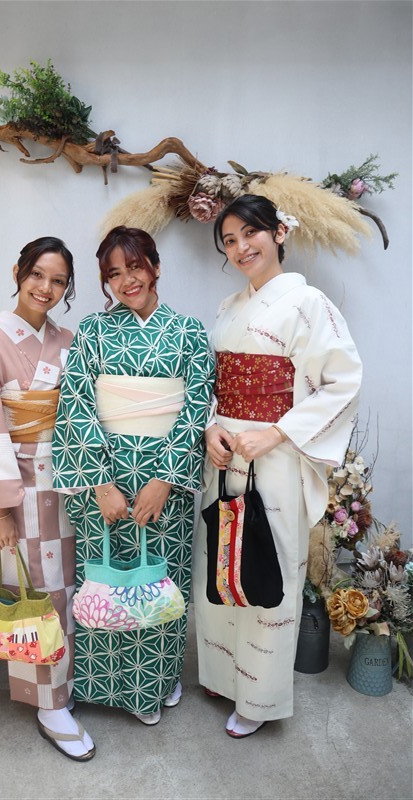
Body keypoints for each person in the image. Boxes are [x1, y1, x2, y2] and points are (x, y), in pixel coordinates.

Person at [193, 195, 362, 738]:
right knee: (221, 560)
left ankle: (259, 697)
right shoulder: (228, 307)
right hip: (226, 453)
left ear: (279, 233)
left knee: (269, 566)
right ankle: (222, 676)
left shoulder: (308, 302)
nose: (241, 247)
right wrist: (211, 428)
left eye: (251, 233)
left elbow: (342, 381)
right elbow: (213, 384)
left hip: (276, 455)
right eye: (230, 241)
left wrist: (276, 433)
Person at [52, 226, 215, 724]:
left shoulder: (188, 332)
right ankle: (98, 684)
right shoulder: (93, 332)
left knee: (157, 582)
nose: (127, 281)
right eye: (114, 274)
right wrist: (101, 483)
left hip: (164, 480)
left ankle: (153, 686)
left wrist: (164, 480)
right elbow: (76, 405)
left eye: (136, 267)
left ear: (156, 267)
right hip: (103, 476)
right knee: (103, 581)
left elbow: (196, 407)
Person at [0, 237, 95, 761]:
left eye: (58, 281)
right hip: (21, 486)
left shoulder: (68, 340)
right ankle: (48, 704)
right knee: (38, 590)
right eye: (37, 275)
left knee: (73, 587)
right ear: (18, 271)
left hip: (73, 480)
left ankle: (71, 681)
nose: (45, 288)